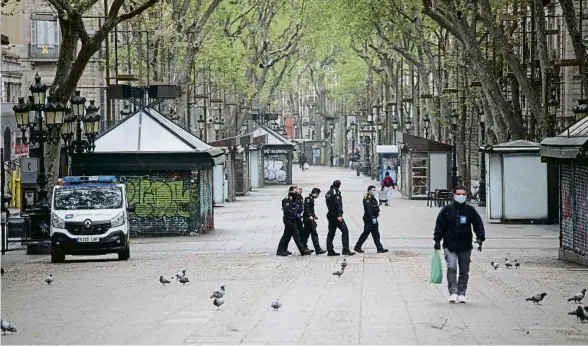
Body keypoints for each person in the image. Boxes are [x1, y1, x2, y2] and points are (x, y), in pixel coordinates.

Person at [433, 186, 485, 304]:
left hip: (465, 245)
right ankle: (453, 292)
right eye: (459, 194)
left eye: (463, 194)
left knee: (464, 270)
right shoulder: (447, 210)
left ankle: (462, 292)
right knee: (451, 267)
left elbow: (478, 224)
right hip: (449, 244)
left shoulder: (470, 210)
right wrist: (437, 240)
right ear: (454, 195)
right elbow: (439, 225)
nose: (461, 196)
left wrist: (480, 238)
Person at [277, 186, 313, 256]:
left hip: (295, 219)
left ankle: (282, 250)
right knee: (296, 235)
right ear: (294, 190)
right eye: (297, 189)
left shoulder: (297, 197)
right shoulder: (290, 198)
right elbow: (287, 209)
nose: (299, 191)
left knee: (287, 235)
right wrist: (295, 214)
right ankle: (302, 251)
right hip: (289, 219)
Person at [355, 185, 389, 254]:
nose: (374, 191)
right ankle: (357, 247)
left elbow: (374, 207)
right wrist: (372, 217)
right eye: (373, 190)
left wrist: (376, 214)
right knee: (366, 233)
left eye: (375, 190)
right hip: (369, 219)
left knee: (376, 233)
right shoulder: (367, 197)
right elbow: (368, 208)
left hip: (373, 218)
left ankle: (379, 248)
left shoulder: (372, 197)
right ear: (369, 190)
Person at [325, 180, 355, 256]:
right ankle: (345, 250)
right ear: (339, 185)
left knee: (331, 233)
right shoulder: (336, 193)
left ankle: (330, 251)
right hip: (336, 215)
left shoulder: (328, 192)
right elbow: (338, 204)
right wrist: (339, 215)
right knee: (345, 231)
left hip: (330, 214)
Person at [301, 188, 326, 255]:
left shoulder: (311, 198)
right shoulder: (308, 198)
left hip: (308, 218)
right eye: (318, 194)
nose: (318, 196)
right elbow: (307, 208)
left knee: (306, 234)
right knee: (314, 234)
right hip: (308, 219)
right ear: (315, 193)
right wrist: (310, 216)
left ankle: (303, 247)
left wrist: (314, 216)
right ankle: (318, 249)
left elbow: (311, 209)